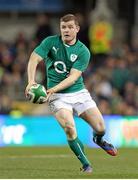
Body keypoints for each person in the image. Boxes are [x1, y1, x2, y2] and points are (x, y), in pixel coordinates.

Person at [25, 14, 117, 173]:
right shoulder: (50, 42)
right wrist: (31, 81)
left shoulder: (83, 51)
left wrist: (52, 88)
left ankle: (98, 139)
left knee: (101, 127)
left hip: (78, 93)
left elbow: (74, 77)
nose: (66, 30)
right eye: (63, 27)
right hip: (58, 98)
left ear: (77, 29)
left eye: (69, 27)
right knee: (69, 126)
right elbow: (34, 59)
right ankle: (86, 164)